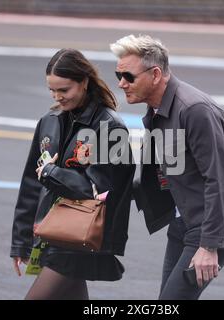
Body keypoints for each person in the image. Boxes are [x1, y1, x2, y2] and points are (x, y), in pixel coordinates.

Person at [110, 35, 224, 300]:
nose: (121, 83)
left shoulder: (194, 109)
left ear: (155, 74)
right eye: (118, 74)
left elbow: (218, 179)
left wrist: (210, 246)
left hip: (217, 221)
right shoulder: (157, 108)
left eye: (128, 76)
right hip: (186, 215)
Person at [10, 48, 135, 300]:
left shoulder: (111, 127)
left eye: (64, 90)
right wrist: (21, 241)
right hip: (54, 232)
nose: (58, 97)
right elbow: (30, 184)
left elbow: (99, 190)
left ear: (84, 82)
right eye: (52, 90)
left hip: (83, 236)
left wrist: (51, 172)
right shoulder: (49, 120)